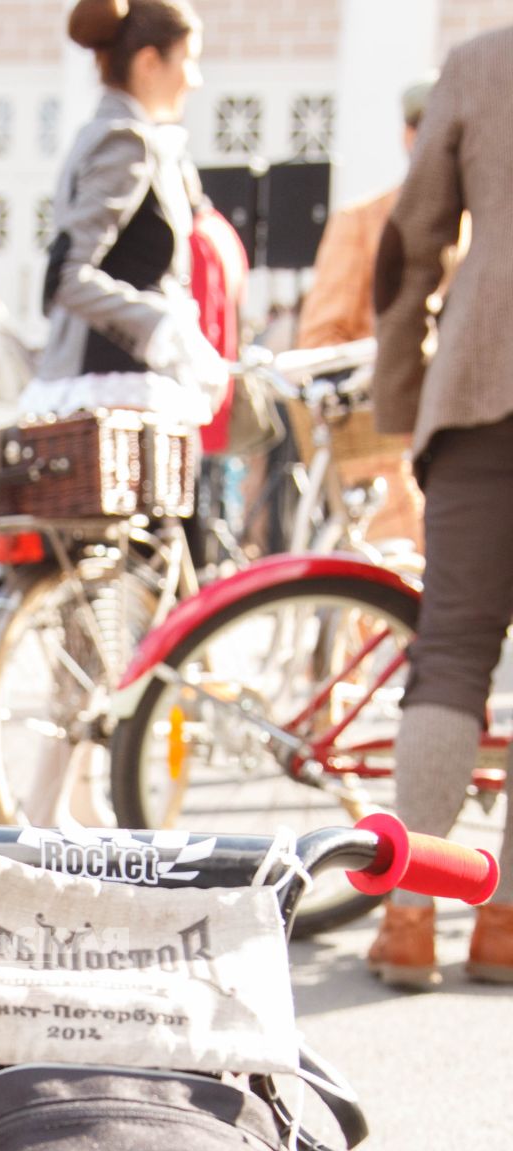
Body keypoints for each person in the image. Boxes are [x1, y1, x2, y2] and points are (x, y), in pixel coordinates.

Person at [369, 26, 513, 987]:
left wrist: (401, 395)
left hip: (482, 385)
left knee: (454, 648)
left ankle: (413, 913)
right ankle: (504, 924)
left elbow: (408, 243)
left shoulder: (481, 63)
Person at [24, 0, 227, 427]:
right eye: (188, 60)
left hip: (120, 387)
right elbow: (66, 277)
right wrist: (165, 327)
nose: (195, 79)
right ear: (150, 62)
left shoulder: (136, 139)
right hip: (114, 389)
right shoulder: (125, 141)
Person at [297, 76, 437, 549]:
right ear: (410, 136)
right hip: (385, 460)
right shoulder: (361, 223)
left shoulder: (483, 225)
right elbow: (321, 344)